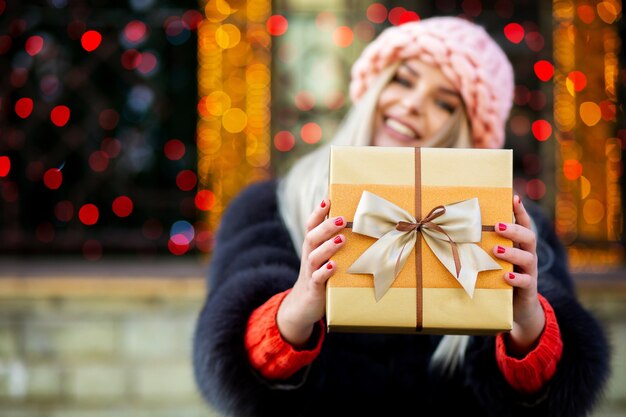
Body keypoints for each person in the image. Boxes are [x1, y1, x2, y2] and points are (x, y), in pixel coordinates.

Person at [193, 16, 609, 417]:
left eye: (444, 103)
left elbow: (549, 396)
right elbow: (229, 366)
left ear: (466, 129)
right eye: (403, 79)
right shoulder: (271, 207)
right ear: (375, 85)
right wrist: (297, 309)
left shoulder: (515, 228)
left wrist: (527, 325)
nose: (411, 105)